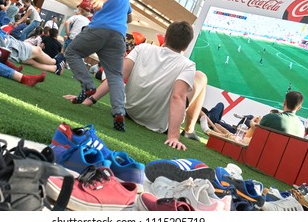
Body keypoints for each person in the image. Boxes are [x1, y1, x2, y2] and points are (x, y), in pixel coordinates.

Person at [65, 21, 207, 150]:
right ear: (186, 46)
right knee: (201, 77)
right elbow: (177, 97)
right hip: (157, 125)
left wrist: (89, 100)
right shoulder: (188, 65)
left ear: (166, 36)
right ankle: (189, 130)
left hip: (130, 111)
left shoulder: (143, 48)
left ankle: (189, 130)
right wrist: (173, 136)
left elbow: (118, 76)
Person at [65, 0, 133, 132]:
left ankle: (87, 85)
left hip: (99, 29)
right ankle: (118, 112)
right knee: (115, 75)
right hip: (118, 36)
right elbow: (130, 17)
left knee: (72, 52)